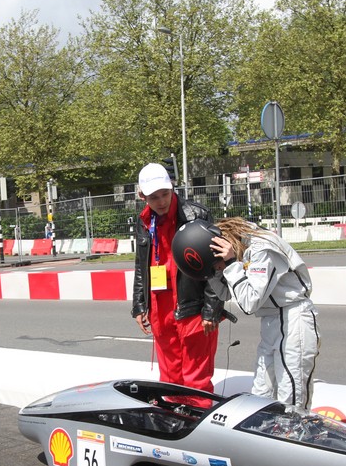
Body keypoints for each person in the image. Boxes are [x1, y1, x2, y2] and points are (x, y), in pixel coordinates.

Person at [208, 216, 320, 410]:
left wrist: (232, 263)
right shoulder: (244, 247)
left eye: (218, 263)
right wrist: (210, 273)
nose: (219, 267)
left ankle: (294, 429)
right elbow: (226, 293)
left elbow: (249, 302)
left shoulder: (262, 247)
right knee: (261, 395)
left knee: (291, 399)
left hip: (293, 318)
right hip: (270, 321)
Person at [131, 162, 222, 398]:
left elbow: (216, 265)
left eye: (165, 194)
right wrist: (140, 305)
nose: (161, 201)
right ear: (142, 196)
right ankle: (173, 416)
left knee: (196, 377)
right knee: (169, 376)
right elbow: (141, 265)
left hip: (193, 307)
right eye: (154, 197)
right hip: (160, 308)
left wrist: (211, 309)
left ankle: (196, 417)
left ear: (172, 187)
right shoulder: (143, 221)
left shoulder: (197, 214)